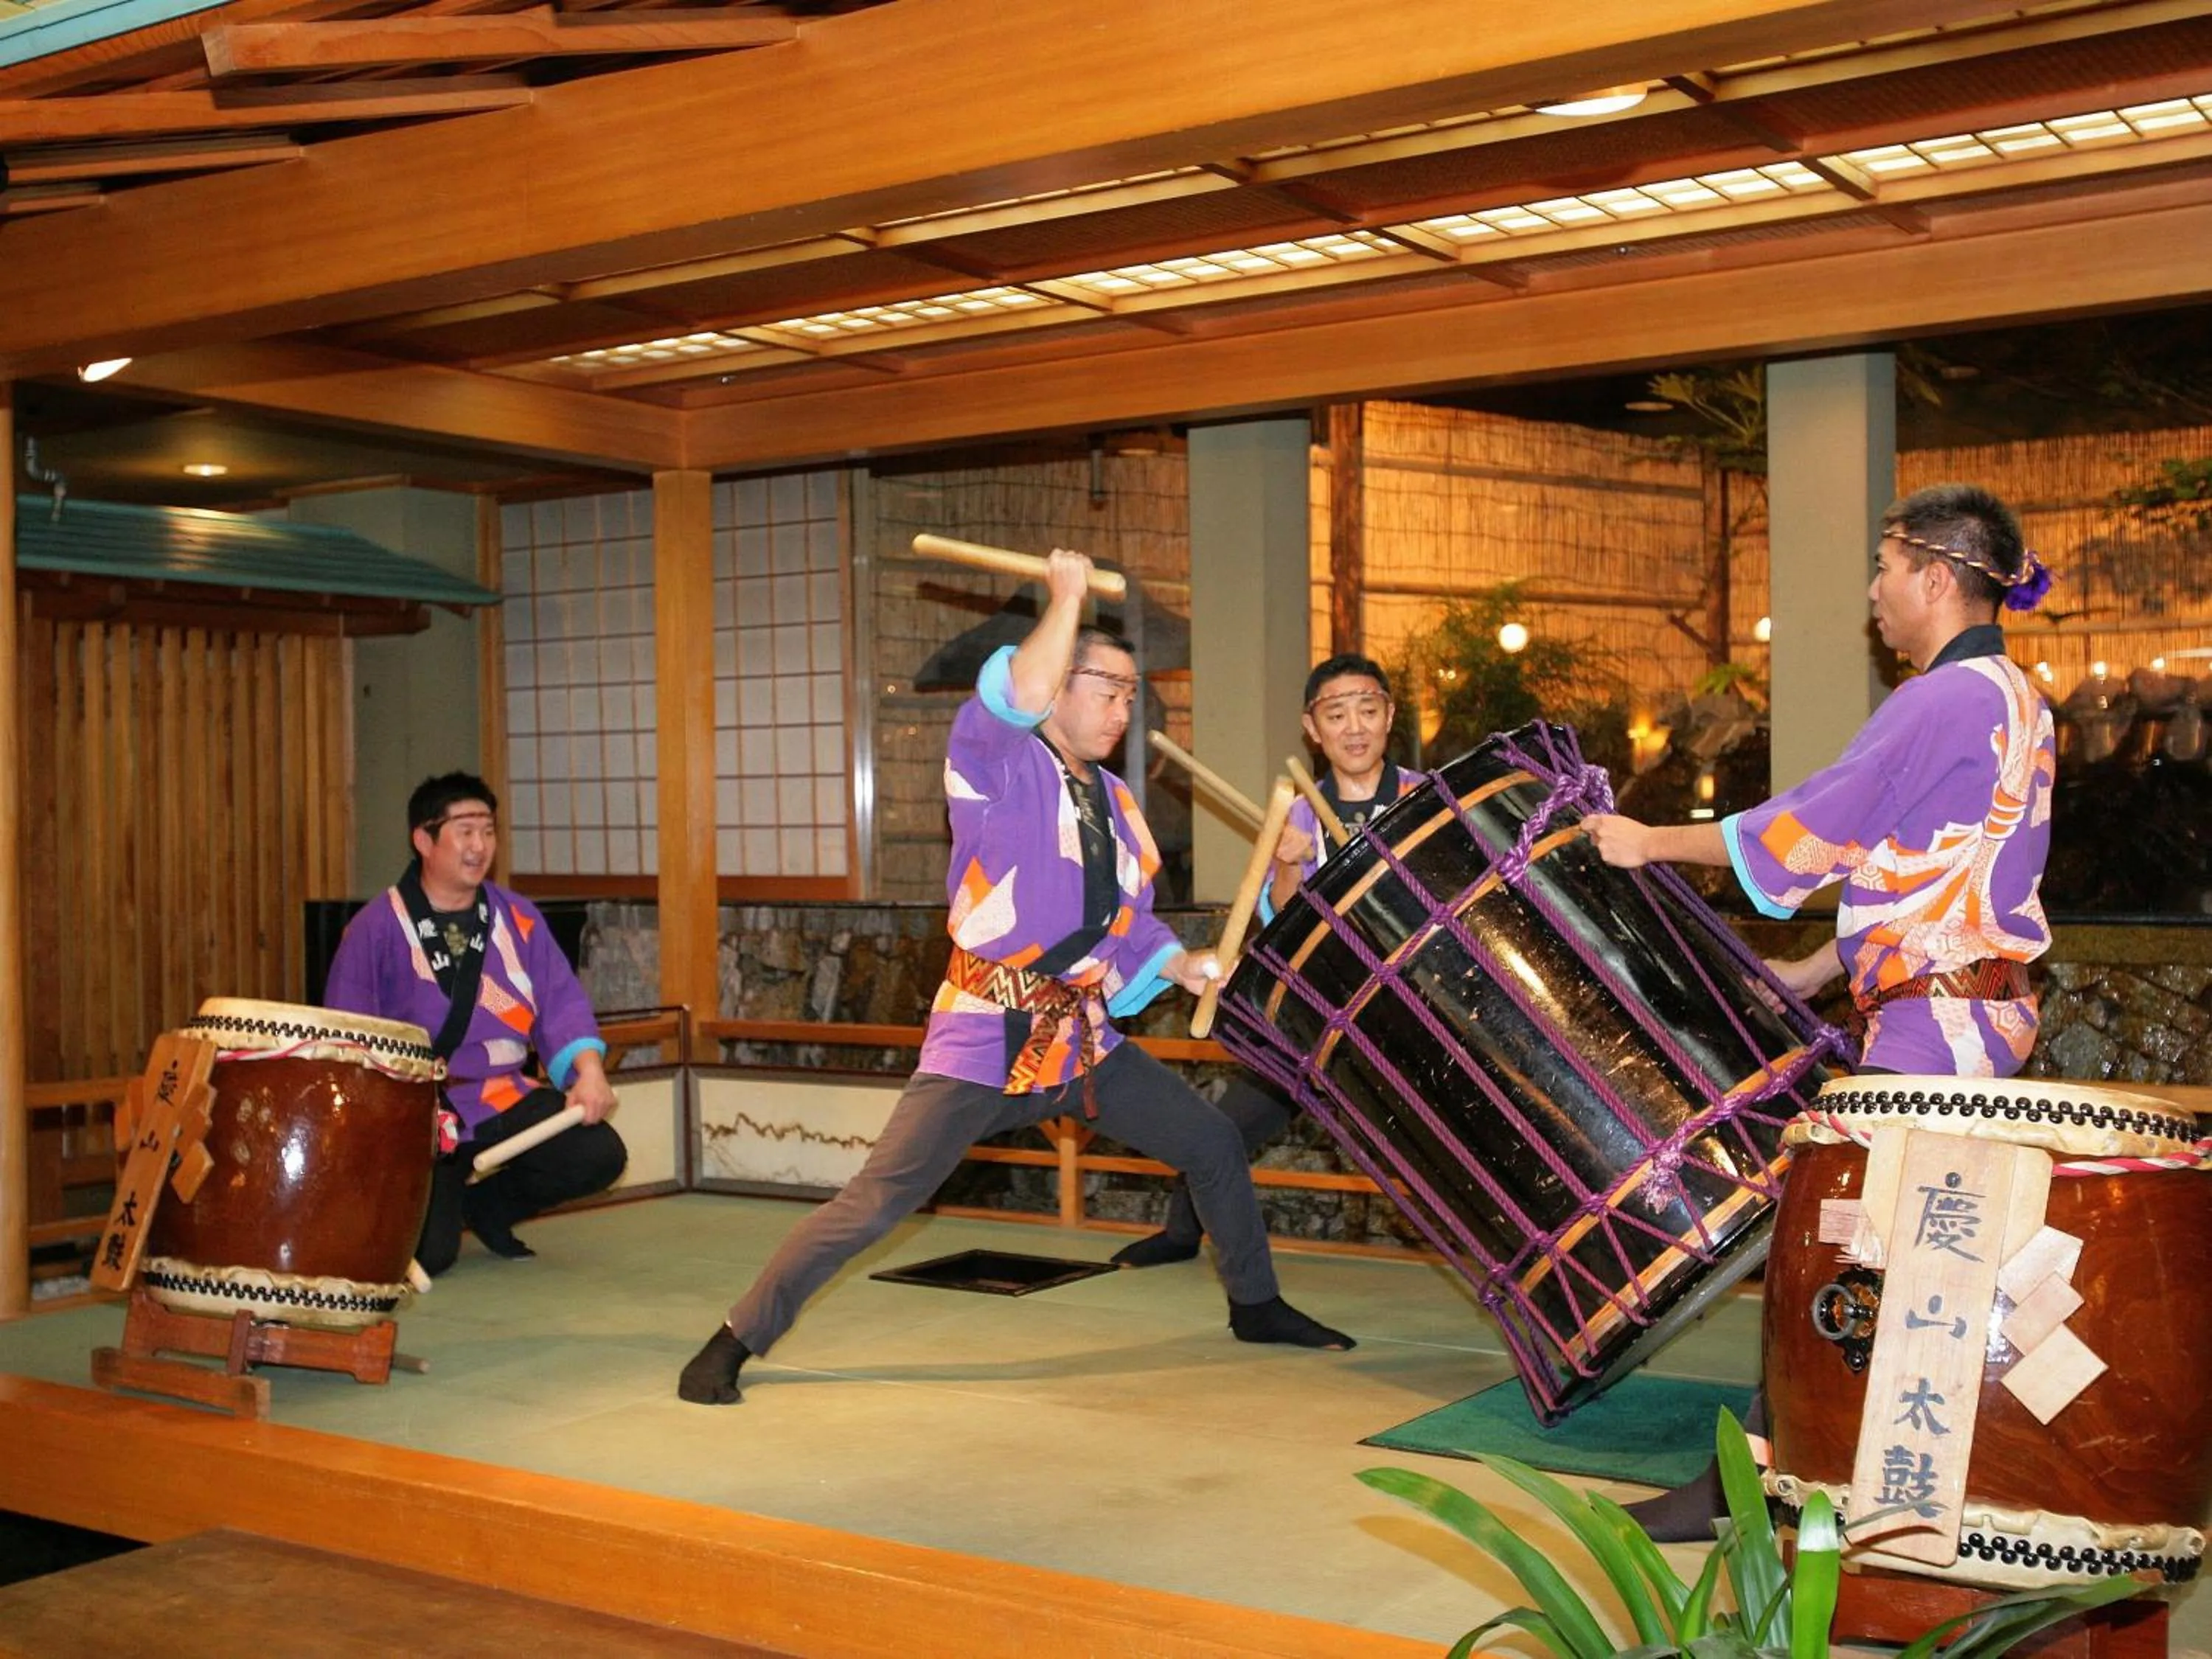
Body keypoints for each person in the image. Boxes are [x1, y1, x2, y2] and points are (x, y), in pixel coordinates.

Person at [678, 549, 1353, 1405]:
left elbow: (1129, 923)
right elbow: (1014, 694)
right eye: (1105, 688)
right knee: (876, 1205)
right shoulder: (994, 760)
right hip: (983, 1037)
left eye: (1127, 692)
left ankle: (1255, 1305)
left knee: (1212, 1142)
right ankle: (738, 1335)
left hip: (1082, 1039)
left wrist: (1180, 963)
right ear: (1061, 687)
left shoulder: (1117, 803)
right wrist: (1065, 597)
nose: (1121, 707)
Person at [1582, 481, 2056, 1536]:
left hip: (1935, 1038)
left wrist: (1648, 840)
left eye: (1886, 570)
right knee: (1896, 1264)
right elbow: (1940, 868)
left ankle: (1759, 1490)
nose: (1875, 594)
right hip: (1974, 1018)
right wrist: (1816, 972)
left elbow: (1806, 833)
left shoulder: (1941, 699)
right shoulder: (2019, 696)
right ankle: (1841, 1476)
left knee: (1831, 1253)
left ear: (1937, 577)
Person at [1113, 653, 1408, 1268]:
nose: (1354, 726)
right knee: (1229, 1124)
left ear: (1389, 715)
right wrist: (1288, 862)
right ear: (1312, 727)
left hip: (1405, 1003)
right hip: (1319, 1002)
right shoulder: (1296, 813)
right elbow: (1282, 920)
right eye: (1336, 713)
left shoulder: (1422, 800)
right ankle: (1180, 1230)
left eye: (1367, 709)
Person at [325, 772, 625, 1276]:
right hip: (421, 1112)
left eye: (487, 831)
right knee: (431, 1256)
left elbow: (559, 1002)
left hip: (502, 1095)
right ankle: (437, 1208)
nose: (479, 845)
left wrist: (588, 1071)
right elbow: (346, 1034)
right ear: (424, 839)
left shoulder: (518, 917)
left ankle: (488, 1208)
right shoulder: (375, 928)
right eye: (464, 831)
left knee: (596, 1154)